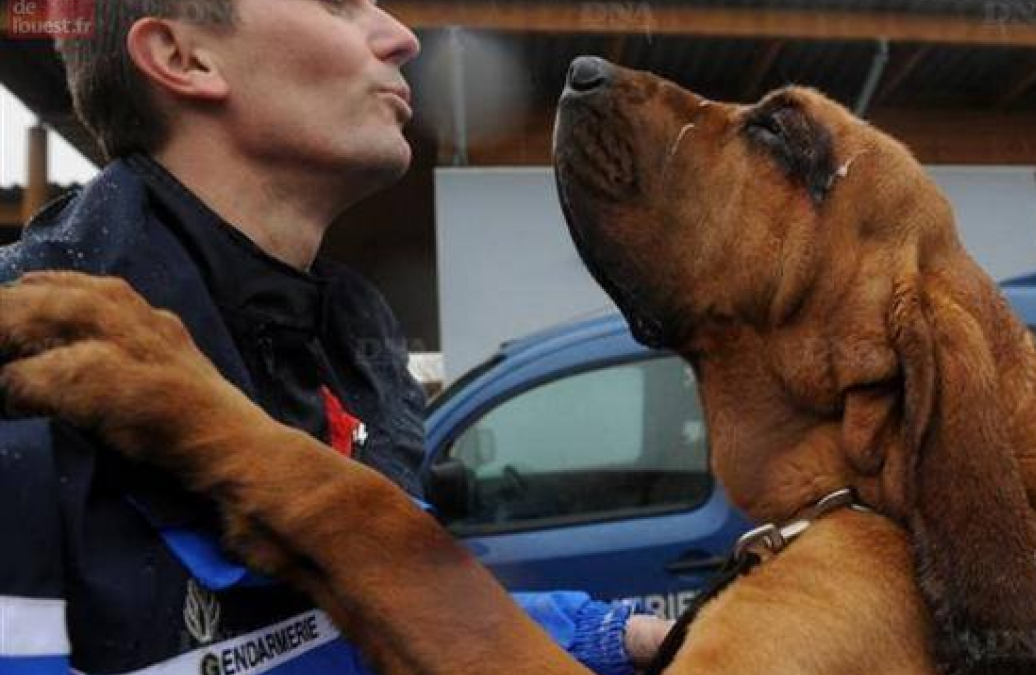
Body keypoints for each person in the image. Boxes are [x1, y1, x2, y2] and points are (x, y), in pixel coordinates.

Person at [0, 2, 669, 674]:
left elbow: (396, 607)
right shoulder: (26, 359)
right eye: (339, 4)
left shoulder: (351, 345)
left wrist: (626, 635)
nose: (403, 39)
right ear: (184, 58)